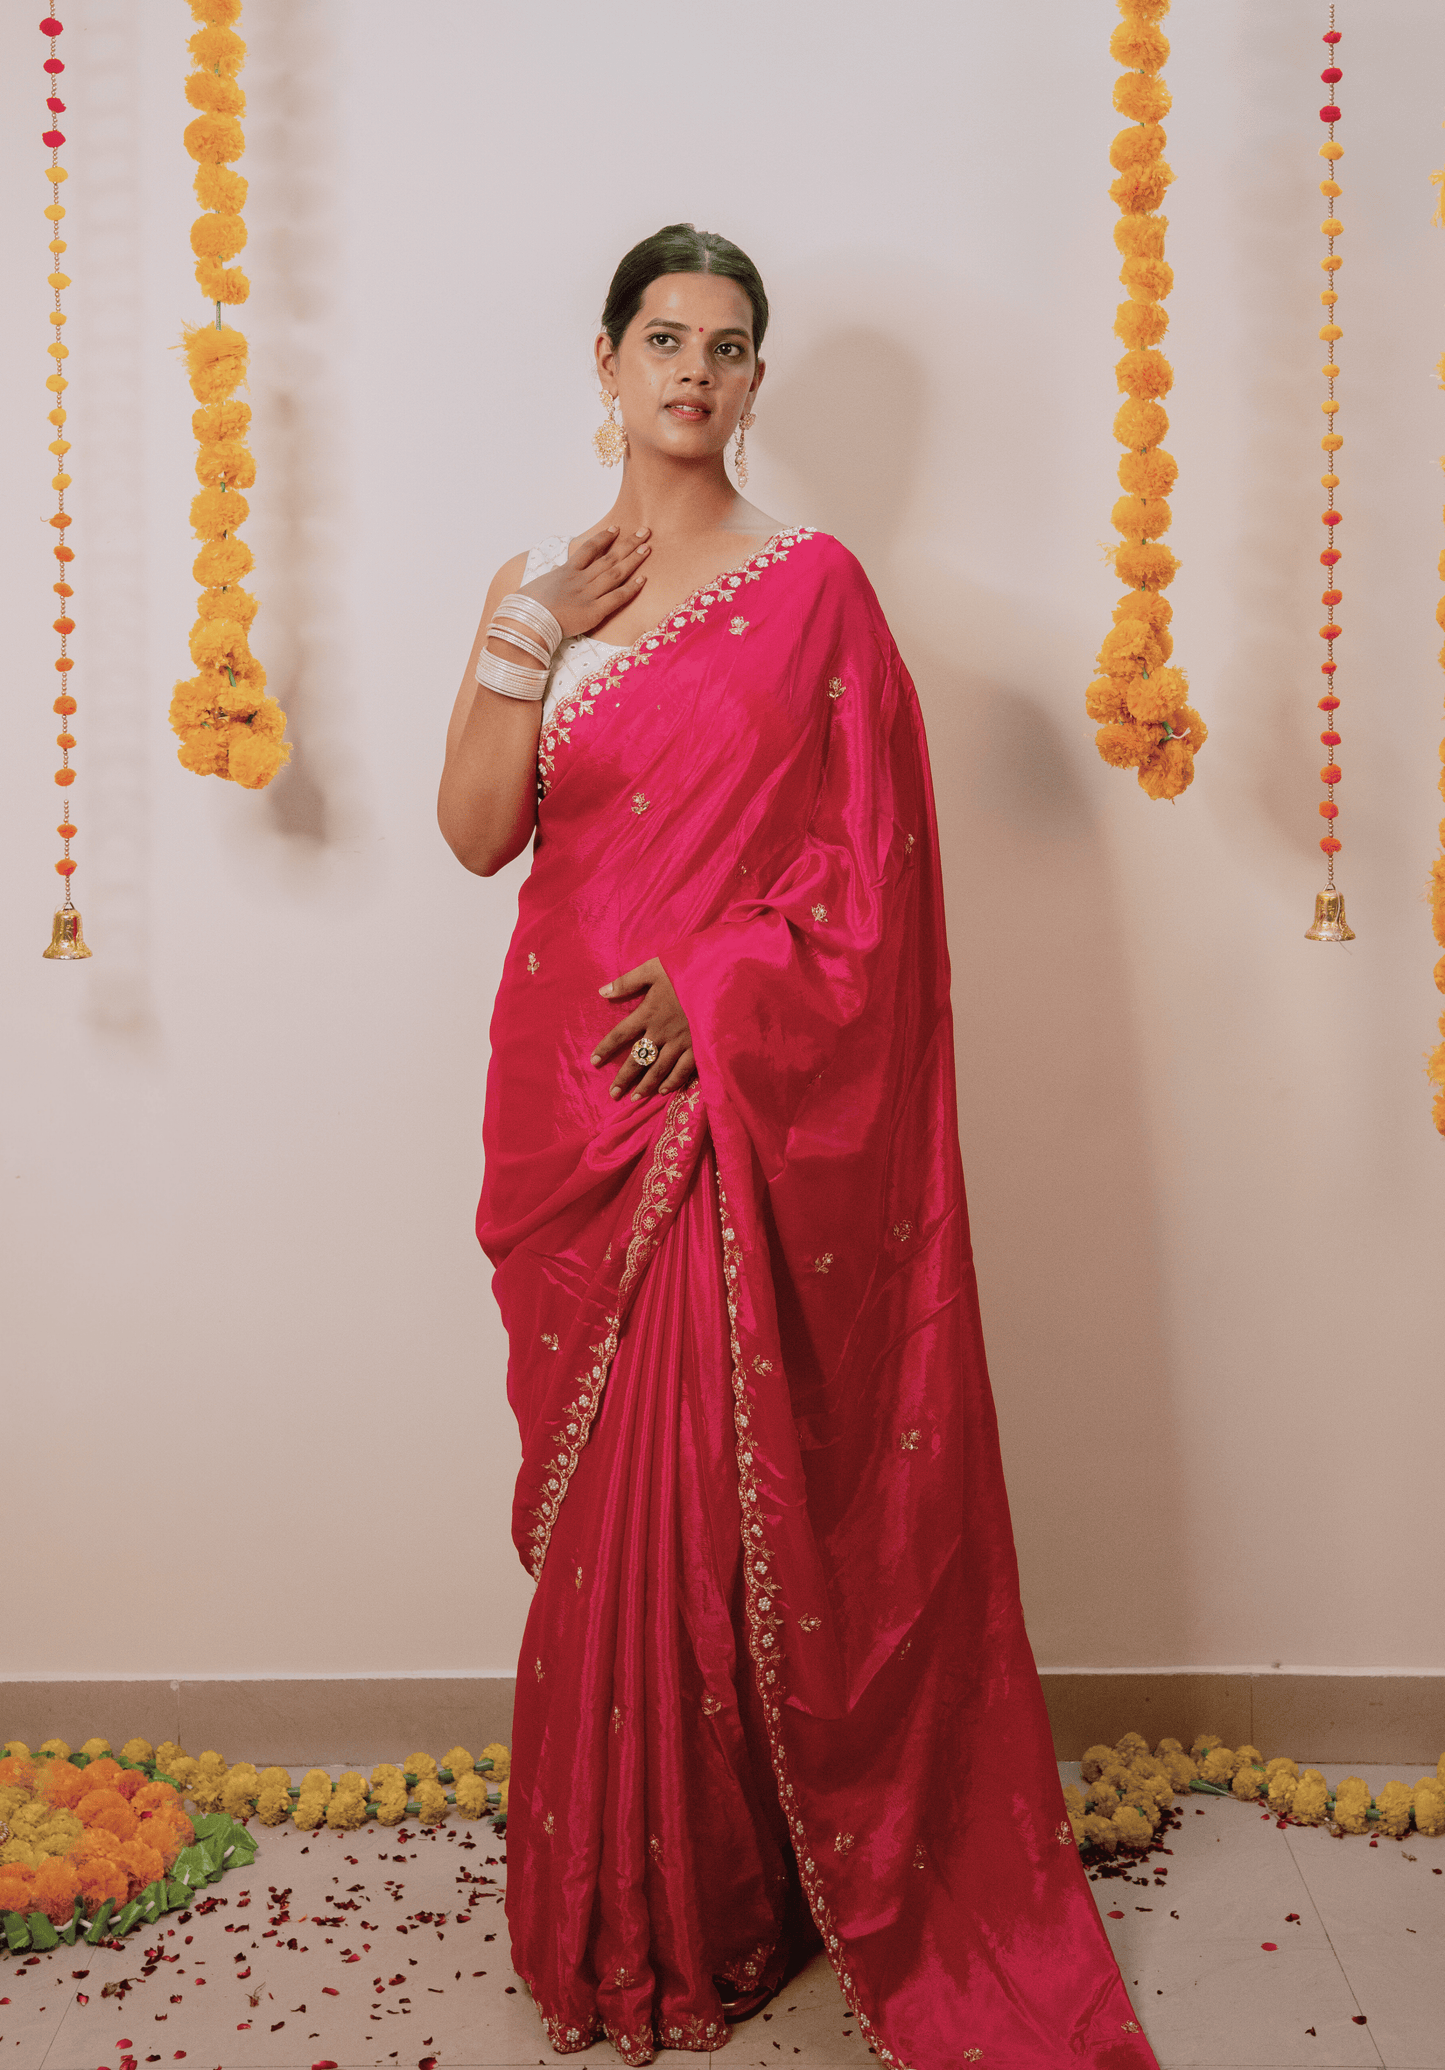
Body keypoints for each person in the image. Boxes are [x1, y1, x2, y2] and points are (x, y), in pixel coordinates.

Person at [438, 224, 1157, 2070]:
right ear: (603, 360)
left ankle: (714, 1898)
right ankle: (603, 1890)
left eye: (730, 344)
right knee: (604, 1516)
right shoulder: (547, 585)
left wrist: (728, 989)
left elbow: (873, 887)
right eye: (663, 335)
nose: (694, 368)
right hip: (565, 1099)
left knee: (701, 1507)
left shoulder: (815, 589)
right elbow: (473, 830)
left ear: (759, 382)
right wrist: (527, 639)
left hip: (717, 1112)